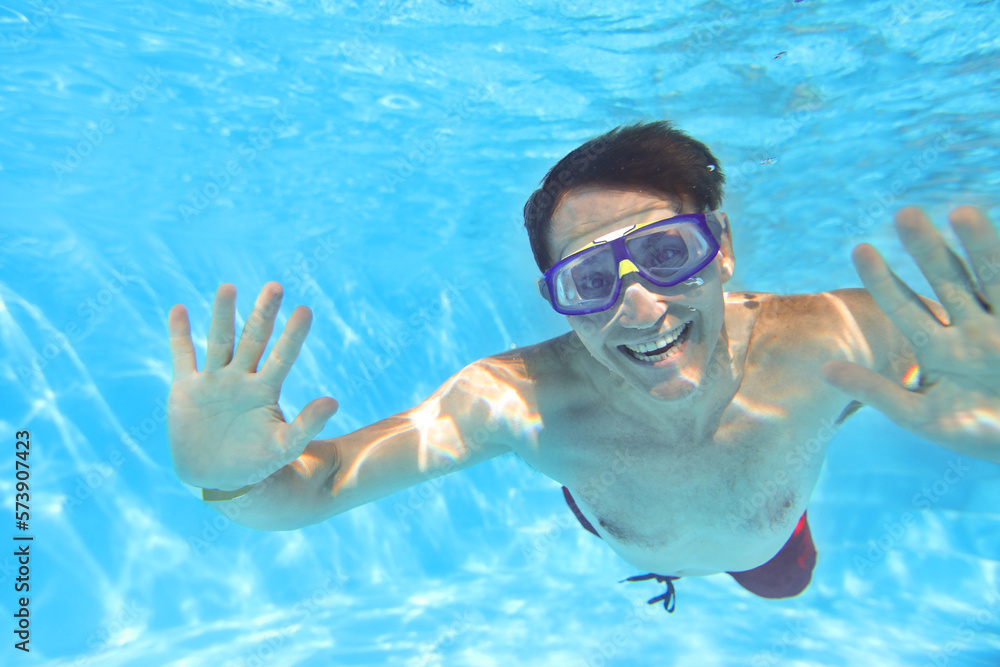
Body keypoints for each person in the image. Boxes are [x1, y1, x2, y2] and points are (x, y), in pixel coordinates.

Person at [166, 121, 1000, 612]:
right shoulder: (518, 402)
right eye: (592, 280)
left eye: (668, 253)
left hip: (771, 541)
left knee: (786, 581)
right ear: (556, 296)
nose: (639, 309)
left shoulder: (836, 336)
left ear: (725, 251)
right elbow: (314, 484)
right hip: (625, 518)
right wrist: (225, 481)